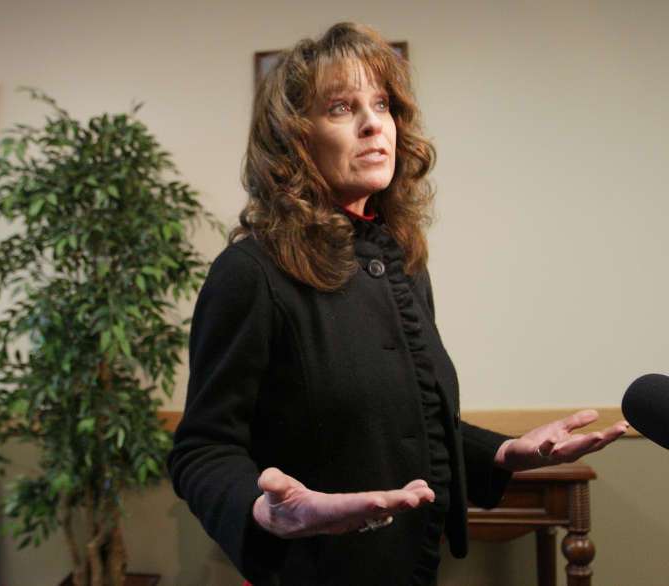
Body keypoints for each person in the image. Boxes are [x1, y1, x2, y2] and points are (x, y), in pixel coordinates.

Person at [167, 22, 628, 586]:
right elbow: (202, 449)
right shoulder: (250, 273)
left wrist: (506, 452)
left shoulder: (400, 261)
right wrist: (263, 512)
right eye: (341, 107)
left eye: (381, 104)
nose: (371, 124)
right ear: (293, 139)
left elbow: (403, 426)